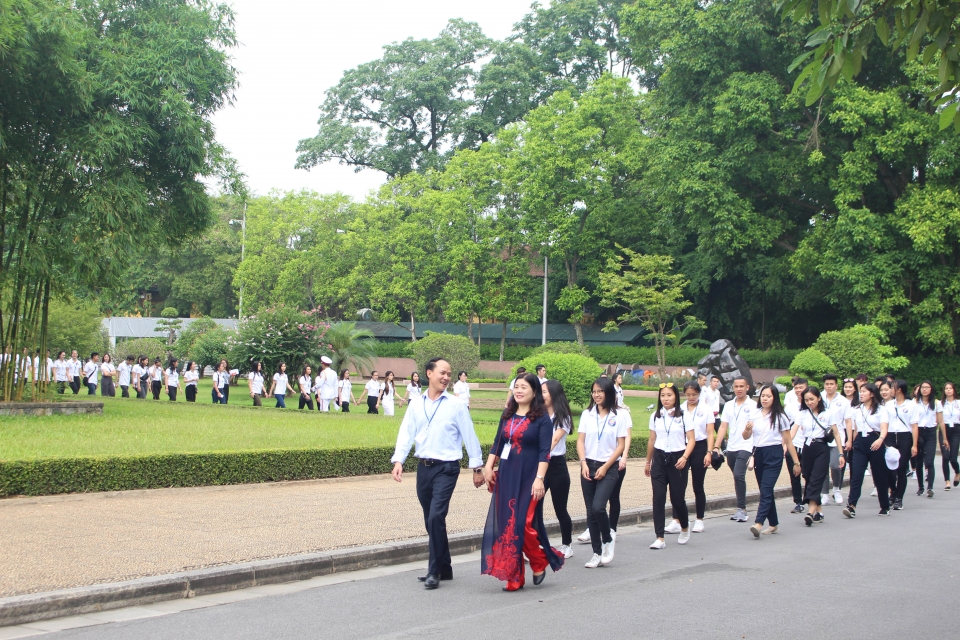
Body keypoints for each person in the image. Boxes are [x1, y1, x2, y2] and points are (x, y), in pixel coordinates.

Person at [391, 357, 484, 590]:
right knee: (430, 519)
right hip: (424, 467)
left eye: (449, 374)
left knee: (435, 517)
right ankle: (446, 567)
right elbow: (406, 432)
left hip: (447, 468)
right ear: (429, 373)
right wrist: (399, 460)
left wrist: (477, 468)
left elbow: (470, 436)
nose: (446, 377)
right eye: (442, 373)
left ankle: (434, 571)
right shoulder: (415, 403)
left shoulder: (456, 404)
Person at [481, 373, 564, 591]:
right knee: (507, 524)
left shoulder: (542, 418)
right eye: (516, 387)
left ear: (534, 391)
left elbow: (545, 452)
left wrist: (539, 480)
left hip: (530, 477)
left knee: (522, 524)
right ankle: (514, 576)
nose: (518, 391)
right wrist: (489, 467)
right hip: (508, 475)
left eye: (524, 387)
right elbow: (498, 443)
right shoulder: (508, 414)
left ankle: (538, 559)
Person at [576, 377, 628, 568]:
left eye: (600, 391)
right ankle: (596, 553)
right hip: (588, 464)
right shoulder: (587, 414)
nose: (596, 395)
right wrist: (583, 463)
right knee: (591, 512)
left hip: (609, 465)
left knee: (599, 507)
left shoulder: (619, 416)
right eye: (594, 391)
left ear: (608, 393)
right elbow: (580, 441)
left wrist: (606, 467)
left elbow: (621, 445)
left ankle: (608, 538)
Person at [742, 384, 801, 537]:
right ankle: (773, 523)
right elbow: (746, 436)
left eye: (769, 396)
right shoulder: (755, 414)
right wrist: (747, 429)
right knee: (765, 490)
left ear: (774, 398)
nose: (765, 398)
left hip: (774, 453)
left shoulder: (780, 417)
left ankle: (759, 523)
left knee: (766, 489)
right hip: (758, 453)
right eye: (763, 396)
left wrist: (796, 462)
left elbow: (788, 441)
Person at [646, 382, 695, 549]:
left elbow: (692, 440)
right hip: (659, 459)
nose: (666, 399)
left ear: (675, 397)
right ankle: (659, 537)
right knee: (658, 498)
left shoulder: (684, 416)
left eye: (669, 395)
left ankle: (684, 526)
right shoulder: (655, 416)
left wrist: (685, 457)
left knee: (677, 499)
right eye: (663, 395)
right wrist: (648, 461)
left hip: (678, 458)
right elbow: (652, 440)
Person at [665, 381, 712, 535]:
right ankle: (677, 519)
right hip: (682, 447)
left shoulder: (705, 409)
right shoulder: (680, 408)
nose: (691, 397)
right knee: (678, 485)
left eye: (694, 394)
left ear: (699, 393)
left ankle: (699, 519)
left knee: (698, 485)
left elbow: (710, 433)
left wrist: (709, 452)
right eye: (688, 394)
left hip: (699, 447)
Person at [795, 387, 845, 526]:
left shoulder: (828, 413)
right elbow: (793, 430)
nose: (809, 402)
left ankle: (810, 513)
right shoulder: (803, 413)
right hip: (807, 448)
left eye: (812, 399)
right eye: (806, 400)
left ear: (818, 398)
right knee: (808, 477)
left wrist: (841, 453)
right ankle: (820, 512)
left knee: (817, 478)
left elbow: (836, 433)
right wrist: (786, 445)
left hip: (822, 448)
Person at [713, 377, 757, 522]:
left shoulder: (753, 405)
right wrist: (716, 446)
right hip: (732, 446)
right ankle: (741, 506)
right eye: (736, 386)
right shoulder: (728, 405)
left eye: (741, 386)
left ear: (747, 387)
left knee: (739, 475)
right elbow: (723, 427)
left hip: (746, 445)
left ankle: (742, 509)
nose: (739, 389)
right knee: (737, 477)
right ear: (733, 388)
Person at [843, 383, 891, 518]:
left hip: (875, 441)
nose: (861, 394)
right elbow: (855, 428)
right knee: (856, 475)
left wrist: (881, 439)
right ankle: (851, 505)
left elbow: (884, 427)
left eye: (864, 391)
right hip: (860, 443)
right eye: (860, 391)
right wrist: (850, 442)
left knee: (879, 476)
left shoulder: (881, 409)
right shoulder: (857, 409)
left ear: (872, 393)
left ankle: (885, 505)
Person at [541, 379, 574, 559]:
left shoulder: (563, 417)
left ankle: (567, 544)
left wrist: (539, 454)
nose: (541, 395)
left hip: (557, 466)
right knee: (534, 506)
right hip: (540, 466)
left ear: (553, 394)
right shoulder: (538, 414)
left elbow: (553, 441)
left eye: (544, 392)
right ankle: (536, 544)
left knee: (560, 508)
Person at [885, 380, 918, 510]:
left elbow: (914, 425)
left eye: (892, 388)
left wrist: (914, 445)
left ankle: (899, 498)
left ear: (899, 390)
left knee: (901, 468)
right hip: (890, 436)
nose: (890, 390)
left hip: (905, 436)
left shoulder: (911, 405)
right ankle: (892, 491)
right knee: (889, 468)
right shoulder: (888, 405)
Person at [820, 374, 852, 505]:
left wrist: (849, 439)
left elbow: (848, 421)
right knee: (822, 467)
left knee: (835, 465)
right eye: (827, 384)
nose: (829, 386)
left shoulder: (843, 401)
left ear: (836, 385)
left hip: (837, 438)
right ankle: (824, 493)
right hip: (821, 436)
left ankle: (837, 489)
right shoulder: (819, 397)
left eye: (831, 384)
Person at [912, 380, 943, 498]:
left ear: (931, 389)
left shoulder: (936, 403)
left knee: (929, 461)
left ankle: (930, 487)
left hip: (930, 432)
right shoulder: (915, 403)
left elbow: (941, 421)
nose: (924, 389)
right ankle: (920, 487)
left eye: (927, 387)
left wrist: (944, 438)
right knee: (919, 461)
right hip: (918, 431)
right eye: (923, 387)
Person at [783, 378, 808, 513]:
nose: (799, 391)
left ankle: (811, 498)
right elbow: (785, 428)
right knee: (794, 476)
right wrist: (784, 445)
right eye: (796, 388)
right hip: (793, 445)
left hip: (809, 446)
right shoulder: (790, 407)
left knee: (808, 475)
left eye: (801, 388)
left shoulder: (812, 405)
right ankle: (798, 501)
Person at [941, 382, 960, 491]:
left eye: (950, 388)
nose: (948, 390)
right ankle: (947, 481)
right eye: (946, 388)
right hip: (945, 429)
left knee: (953, 458)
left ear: (953, 390)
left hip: (956, 429)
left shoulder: (958, 403)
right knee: (945, 456)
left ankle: (957, 472)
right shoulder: (941, 404)